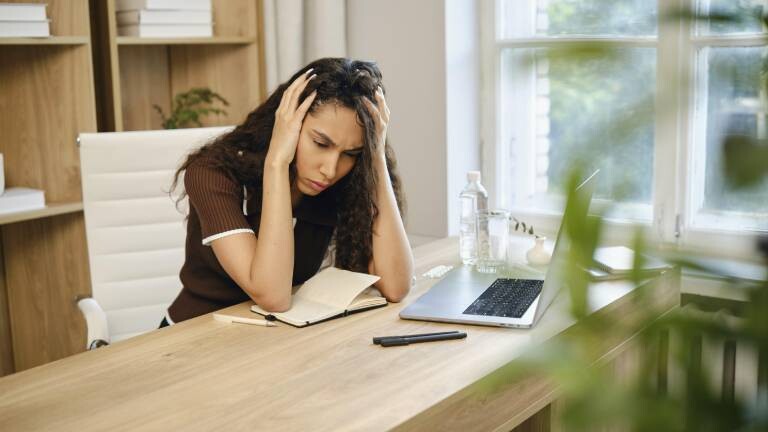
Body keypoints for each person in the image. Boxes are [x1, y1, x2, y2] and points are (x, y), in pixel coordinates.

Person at [160, 58, 414, 327]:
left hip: (276, 341)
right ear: (286, 123)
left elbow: (396, 286)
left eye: (351, 153)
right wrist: (277, 163)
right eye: (320, 143)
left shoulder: (341, 182)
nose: (330, 169)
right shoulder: (211, 173)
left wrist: (375, 158)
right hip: (193, 336)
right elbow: (273, 296)